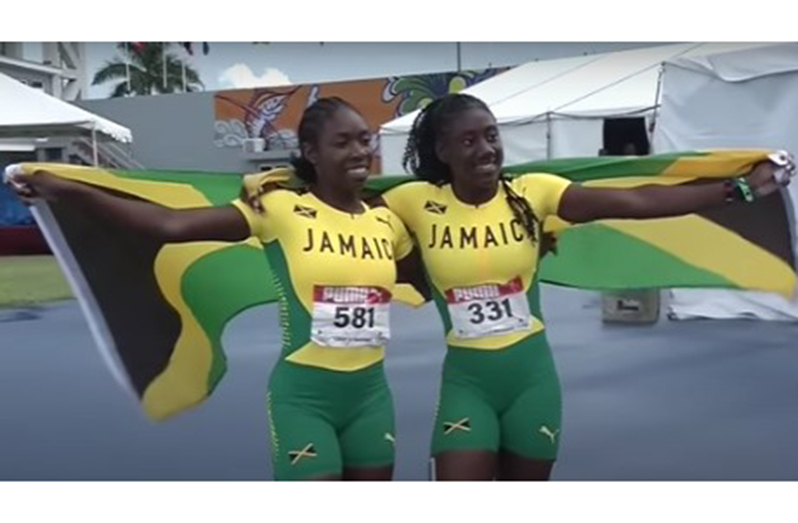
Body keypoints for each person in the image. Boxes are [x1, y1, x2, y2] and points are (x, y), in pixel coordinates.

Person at [375, 93, 792, 480]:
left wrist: (739, 188)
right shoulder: (411, 202)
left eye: (490, 136)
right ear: (442, 151)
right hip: (467, 386)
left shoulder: (532, 193)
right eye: (468, 141)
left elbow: (636, 203)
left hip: (531, 383)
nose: (485, 150)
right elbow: (342, 223)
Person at [8, 97, 422, 481]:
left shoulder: (386, 221)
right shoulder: (278, 207)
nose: (359, 152)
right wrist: (70, 191)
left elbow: (433, 270)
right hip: (305, 399)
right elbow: (169, 226)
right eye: (343, 142)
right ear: (312, 153)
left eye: (365, 140)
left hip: (371, 398)